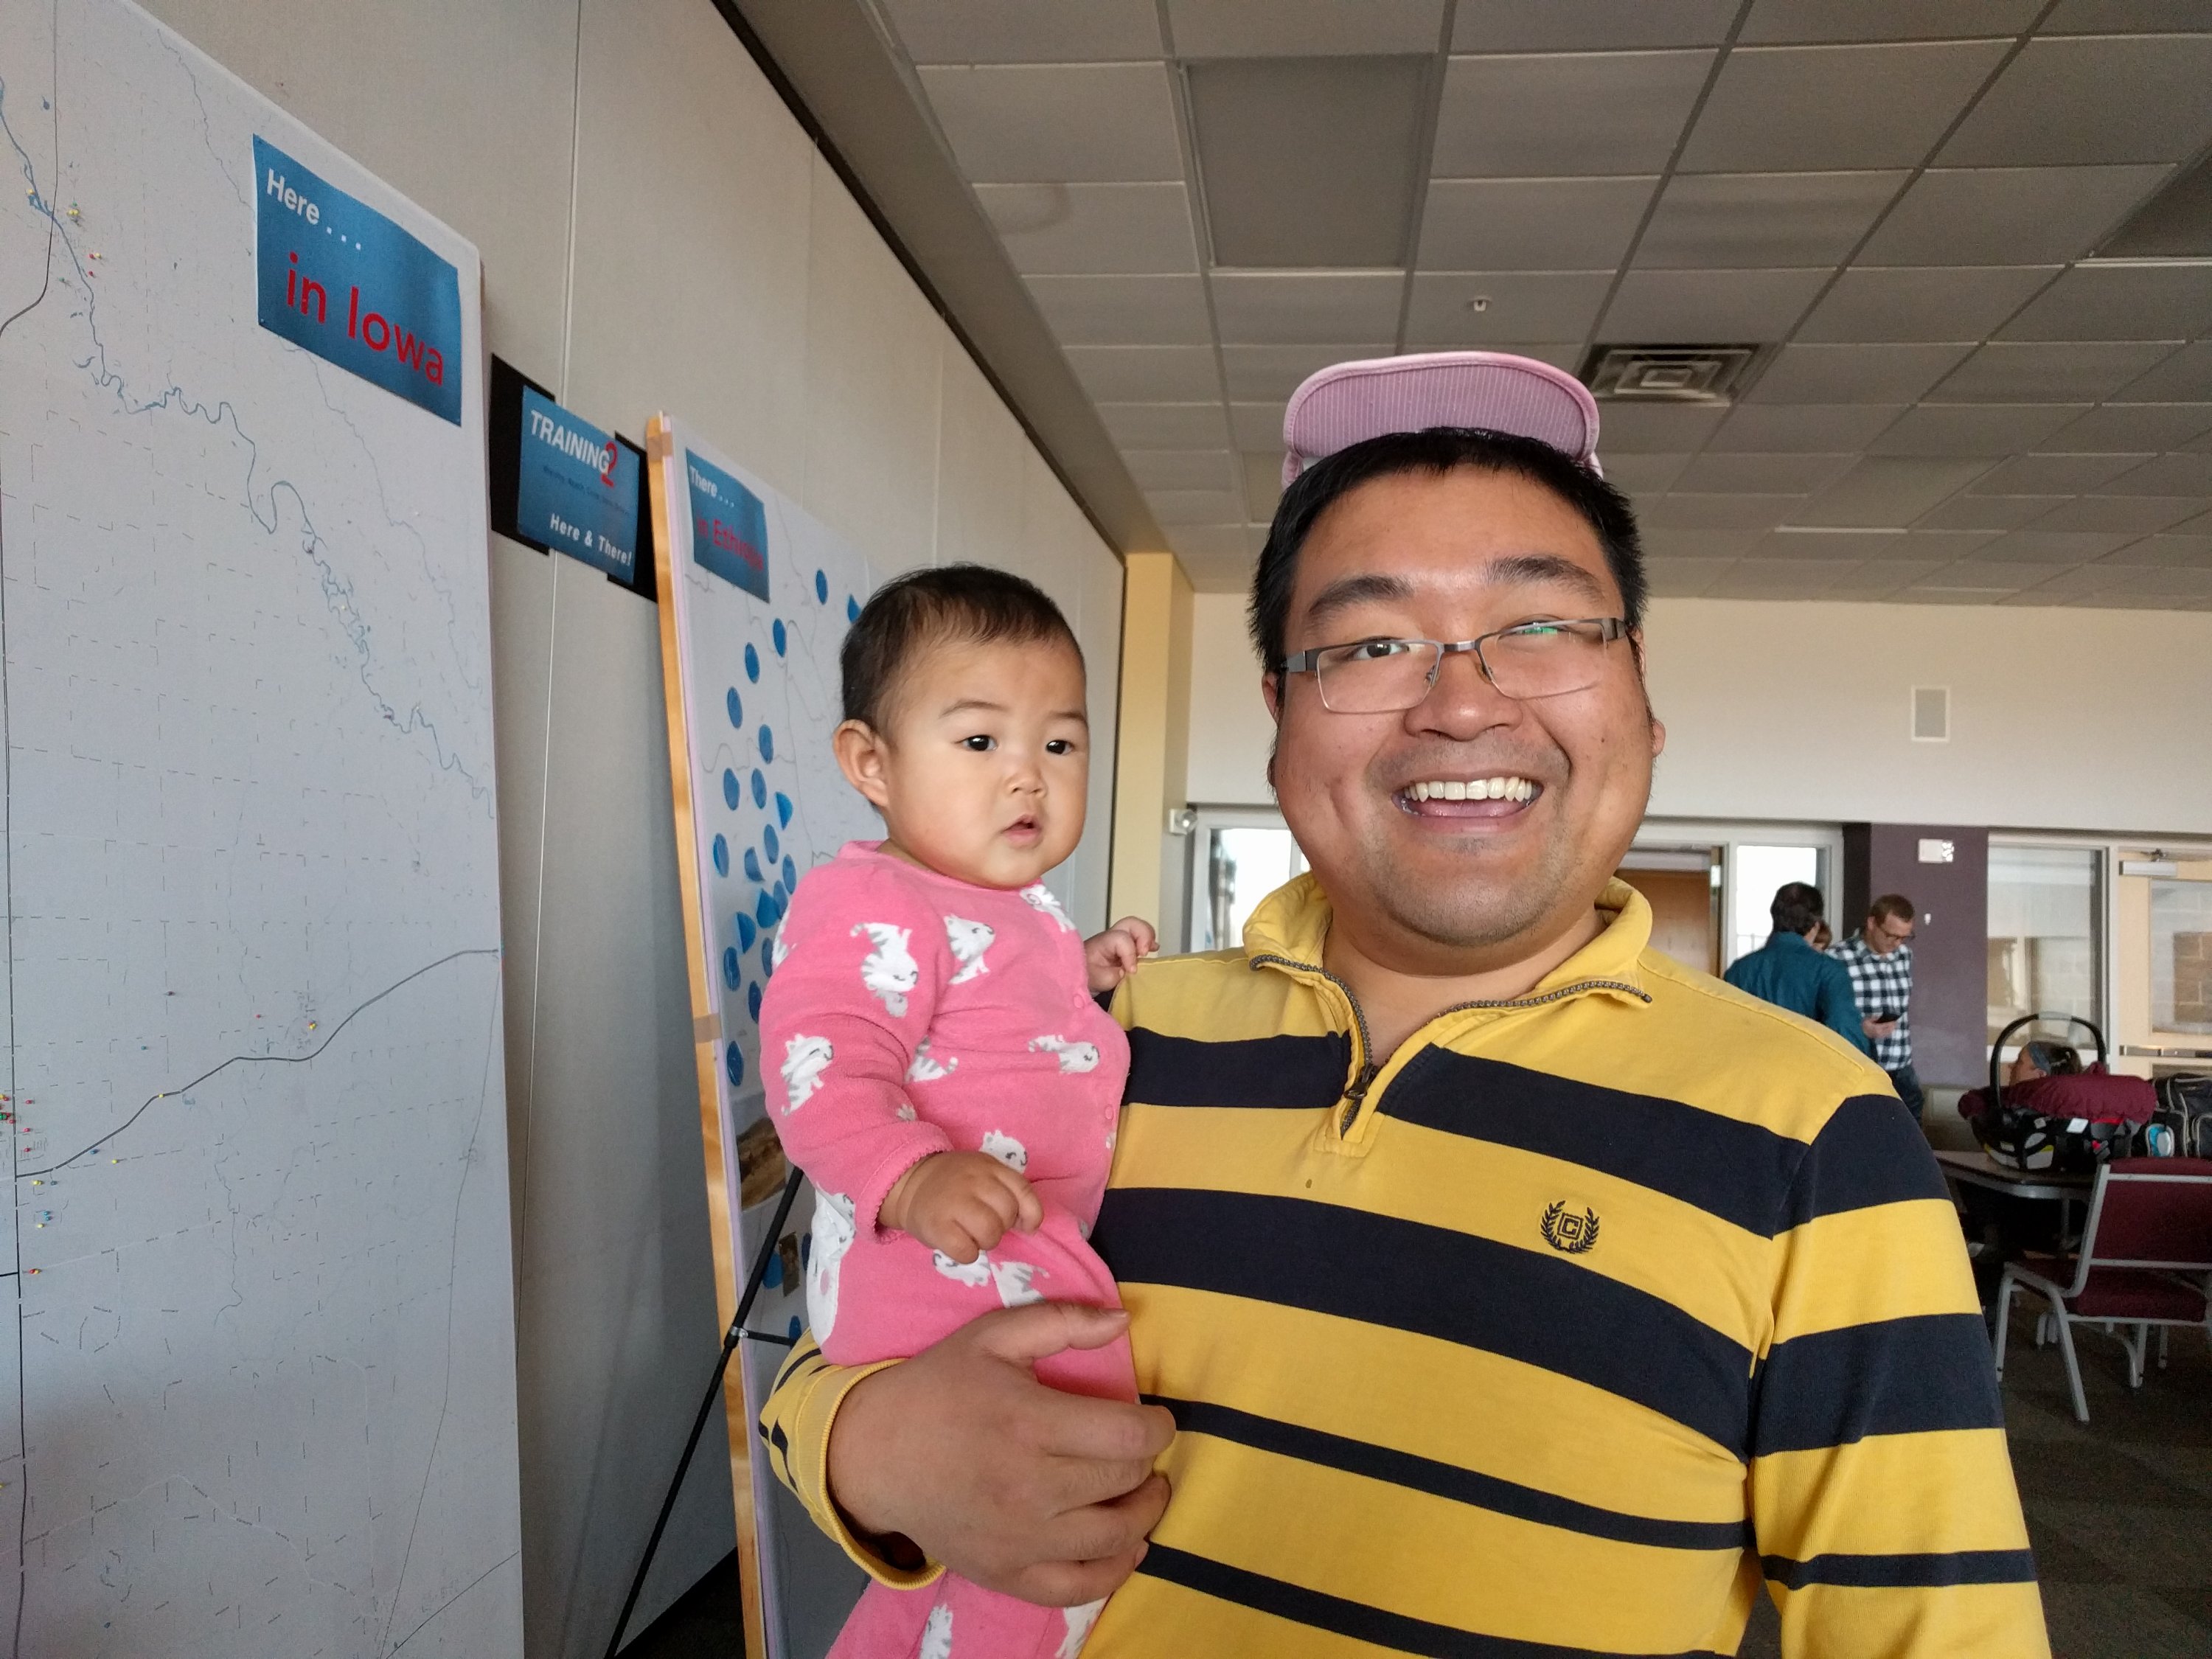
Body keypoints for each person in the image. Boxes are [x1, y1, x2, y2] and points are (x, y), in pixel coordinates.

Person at [759, 352, 2046, 1655]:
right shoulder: (1113, 1038)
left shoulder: (1813, 1132)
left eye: (1540, 626)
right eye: (1373, 643)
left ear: (1641, 690)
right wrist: (872, 1446)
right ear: (1279, 715)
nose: (1464, 703)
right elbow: (855, 1327)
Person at [759, 565, 1159, 1659]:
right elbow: (819, 1064)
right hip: (938, 1260)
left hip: (999, 1252)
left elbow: (988, 1018)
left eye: (1060, 744)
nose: (1028, 775)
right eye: (980, 741)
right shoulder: (871, 898)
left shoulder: (1006, 905)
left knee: (1008, 1523)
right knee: (1053, 1503)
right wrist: (910, 1173)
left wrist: (1081, 973)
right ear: (871, 764)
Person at [1722, 882, 1872, 1055]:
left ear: (1774, 917)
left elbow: (1726, 1030)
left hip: (1751, 1066)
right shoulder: (1829, 971)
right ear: (1816, 925)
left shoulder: (1739, 971)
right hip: (1808, 1067)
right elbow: (1845, 1036)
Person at [1831, 894, 1923, 1119]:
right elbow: (1823, 1016)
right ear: (1872, 923)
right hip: (1858, 1068)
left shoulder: (1904, 956)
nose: (1897, 943)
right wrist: (1859, 1028)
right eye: (1891, 935)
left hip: (1902, 1068)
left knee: (1911, 1137)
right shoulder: (1836, 958)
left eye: (1905, 937)